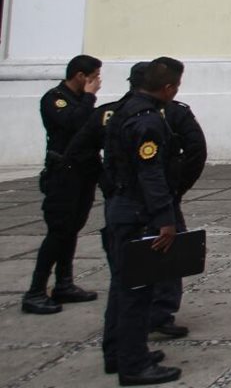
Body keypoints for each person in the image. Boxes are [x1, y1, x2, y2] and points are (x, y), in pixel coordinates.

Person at [102, 58, 185, 385]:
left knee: (122, 285)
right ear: (168, 88)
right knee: (137, 291)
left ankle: (117, 352)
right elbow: (150, 174)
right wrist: (166, 218)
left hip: (121, 205)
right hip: (139, 213)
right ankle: (134, 365)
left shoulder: (122, 109)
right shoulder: (148, 120)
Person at [22, 55, 103, 314]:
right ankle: (35, 290)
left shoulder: (81, 101)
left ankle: (64, 284)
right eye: (94, 77)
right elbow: (75, 124)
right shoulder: (55, 98)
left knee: (72, 228)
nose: (97, 82)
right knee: (58, 231)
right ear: (81, 76)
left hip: (83, 172)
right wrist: (90, 98)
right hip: (62, 174)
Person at [149, 89, 207, 339]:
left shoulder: (115, 111)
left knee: (128, 262)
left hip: (130, 198)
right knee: (169, 254)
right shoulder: (170, 112)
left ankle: (146, 314)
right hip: (161, 196)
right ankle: (161, 313)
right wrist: (178, 187)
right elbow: (196, 150)